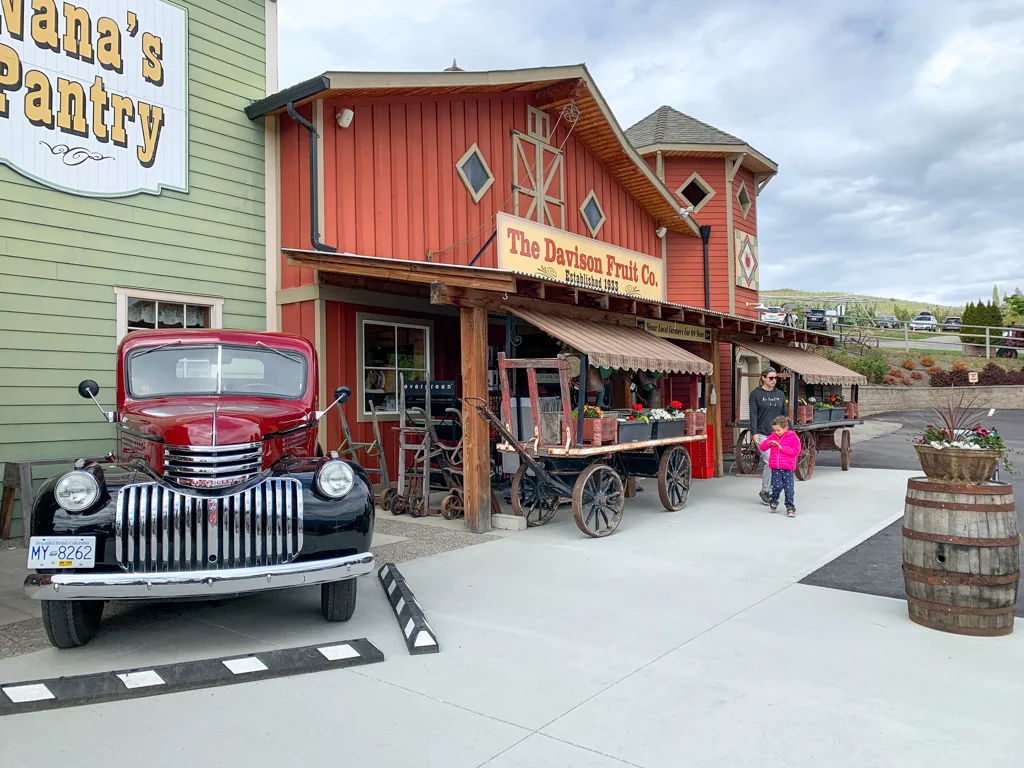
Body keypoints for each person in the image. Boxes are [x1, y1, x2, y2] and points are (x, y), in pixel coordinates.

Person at [749, 367, 788, 505]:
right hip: (762, 433)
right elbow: (753, 415)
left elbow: (785, 415)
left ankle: (773, 489)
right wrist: (754, 433)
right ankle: (765, 490)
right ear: (763, 378)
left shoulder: (780, 394)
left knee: (777, 461)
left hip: (778, 435)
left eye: (775, 378)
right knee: (770, 460)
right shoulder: (755, 394)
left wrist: (790, 432)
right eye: (771, 378)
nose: (774, 381)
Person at [758, 415, 801, 517]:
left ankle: (790, 507)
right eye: (774, 430)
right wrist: (769, 443)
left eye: (778, 430)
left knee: (789, 488)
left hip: (788, 468)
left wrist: (781, 448)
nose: (776, 432)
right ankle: (773, 500)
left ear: (785, 428)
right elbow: (762, 447)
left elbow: (796, 451)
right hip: (776, 467)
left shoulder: (793, 437)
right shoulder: (773, 436)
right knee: (776, 486)